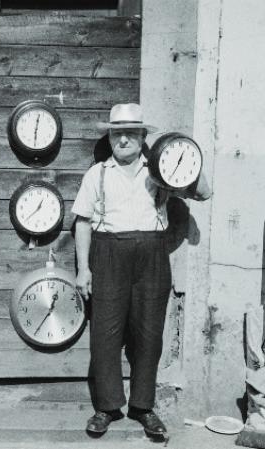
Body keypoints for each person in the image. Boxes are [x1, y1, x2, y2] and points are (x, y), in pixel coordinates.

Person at [72, 103, 211, 438]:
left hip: (152, 254)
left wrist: (186, 156)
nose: (123, 140)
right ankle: (106, 408)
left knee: (149, 333)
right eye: (117, 133)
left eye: (130, 133)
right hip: (107, 253)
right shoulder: (97, 173)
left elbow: (205, 192)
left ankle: (144, 407)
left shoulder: (160, 169)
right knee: (105, 334)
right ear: (109, 136)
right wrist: (83, 270)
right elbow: (82, 223)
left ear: (142, 136)